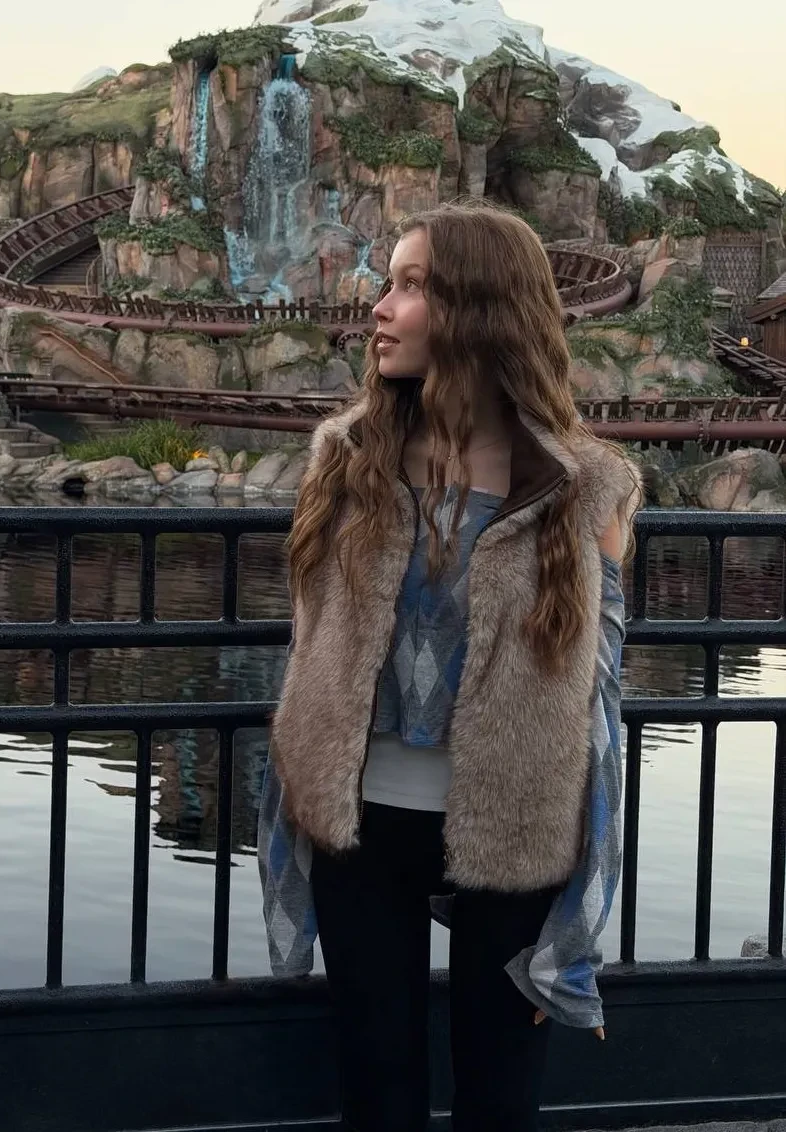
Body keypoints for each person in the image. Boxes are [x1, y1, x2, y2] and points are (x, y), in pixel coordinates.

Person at [257, 201, 642, 1132]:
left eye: (412, 286)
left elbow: (600, 692)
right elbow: (312, 648)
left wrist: (583, 905)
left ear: (479, 307)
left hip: (516, 820)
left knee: (499, 1099)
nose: (379, 307)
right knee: (377, 1093)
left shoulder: (584, 486)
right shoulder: (347, 460)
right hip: (360, 819)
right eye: (387, 283)